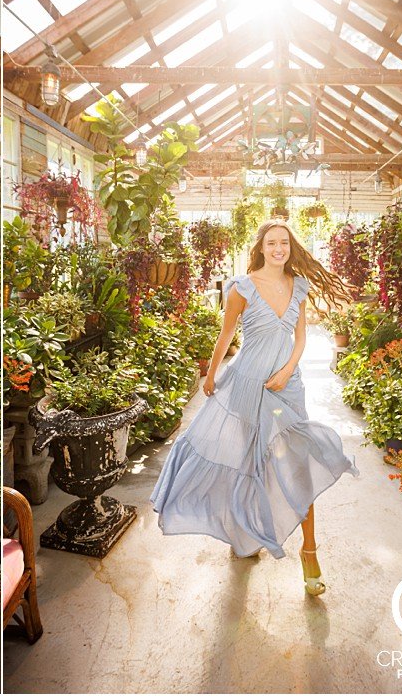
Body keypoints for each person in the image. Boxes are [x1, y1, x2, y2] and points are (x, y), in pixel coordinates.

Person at [148, 219, 357, 596]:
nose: (279, 249)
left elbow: (301, 337)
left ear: (290, 248)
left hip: (286, 390)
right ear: (260, 248)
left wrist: (289, 369)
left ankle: (309, 552)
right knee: (247, 462)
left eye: (284, 243)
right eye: (272, 243)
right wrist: (210, 376)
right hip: (247, 385)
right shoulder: (242, 288)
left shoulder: (299, 286)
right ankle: (245, 535)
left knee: (298, 465)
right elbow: (226, 335)